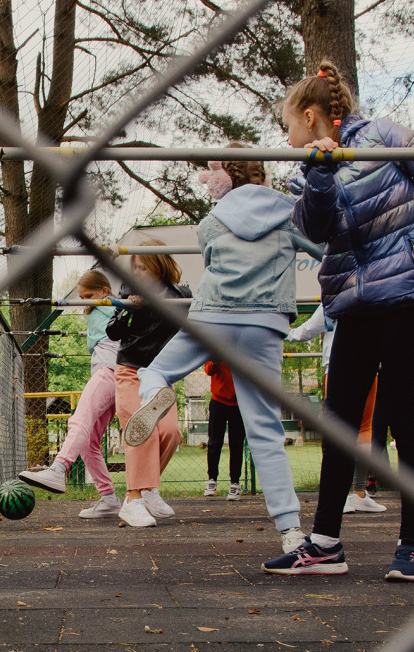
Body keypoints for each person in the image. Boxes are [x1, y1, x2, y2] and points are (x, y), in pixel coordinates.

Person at [262, 60, 414, 580]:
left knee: (403, 418)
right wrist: (320, 172)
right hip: (352, 304)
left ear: (310, 116)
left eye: (287, 124)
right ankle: (325, 543)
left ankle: (412, 544)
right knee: (340, 421)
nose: (285, 136)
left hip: (402, 296)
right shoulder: (306, 166)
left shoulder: (381, 135)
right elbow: (311, 228)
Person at [122, 156, 313, 552]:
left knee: (155, 372)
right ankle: (291, 531)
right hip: (264, 323)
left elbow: (210, 259)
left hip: (213, 316)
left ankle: (155, 391)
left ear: (222, 183)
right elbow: (325, 247)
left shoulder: (211, 223)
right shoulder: (291, 214)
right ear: (264, 176)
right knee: (265, 430)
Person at [19, 270, 124, 518]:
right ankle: (108, 498)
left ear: (104, 292)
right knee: (89, 443)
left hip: (110, 369)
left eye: (89, 295)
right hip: (112, 372)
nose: (84, 300)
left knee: (79, 419)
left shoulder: (112, 304)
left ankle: (58, 469)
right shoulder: (99, 309)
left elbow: (123, 304)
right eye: (81, 296)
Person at [107, 241, 188, 528]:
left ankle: (149, 488)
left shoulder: (181, 296)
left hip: (161, 375)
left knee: (170, 433)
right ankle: (132, 500)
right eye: (135, 268)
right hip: (131, 370)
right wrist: (131, 308)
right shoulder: (130, 292)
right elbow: (112, 331)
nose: (138, 273)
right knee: (142, 429)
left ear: (159, 265)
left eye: (143, 267)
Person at [287, 303, 386, 514]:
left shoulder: (333, 297)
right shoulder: (374, 292)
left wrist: (284, 333)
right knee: (362, 427)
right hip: (368, 364)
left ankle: (344, 495)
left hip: (338, 366)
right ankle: (357, 492)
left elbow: (307, 330)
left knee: (339, 429)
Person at [203, 360, 245, 499]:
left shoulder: (243, 345)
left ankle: (235, 484)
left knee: (236, 444)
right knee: (214, 442)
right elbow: (208, 369)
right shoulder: (218, 342)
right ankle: (212, 480)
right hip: (218, 400)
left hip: (239, 402)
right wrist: (215, 361)